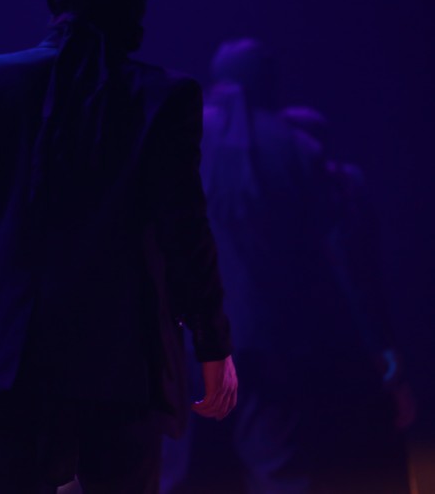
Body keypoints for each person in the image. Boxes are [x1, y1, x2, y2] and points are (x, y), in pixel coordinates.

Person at [0, 0, 237, 492]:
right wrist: (212, 344)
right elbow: (184, 233)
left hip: (2, 349)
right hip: (121, 354)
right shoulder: (163, 95)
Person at [162, 39, 412, 494]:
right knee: (278, 467)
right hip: (270, 336)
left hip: (186, 337)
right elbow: (342, 258)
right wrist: (378, 344)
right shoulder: (297, 147)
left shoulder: (183, 135)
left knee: (182, 473)